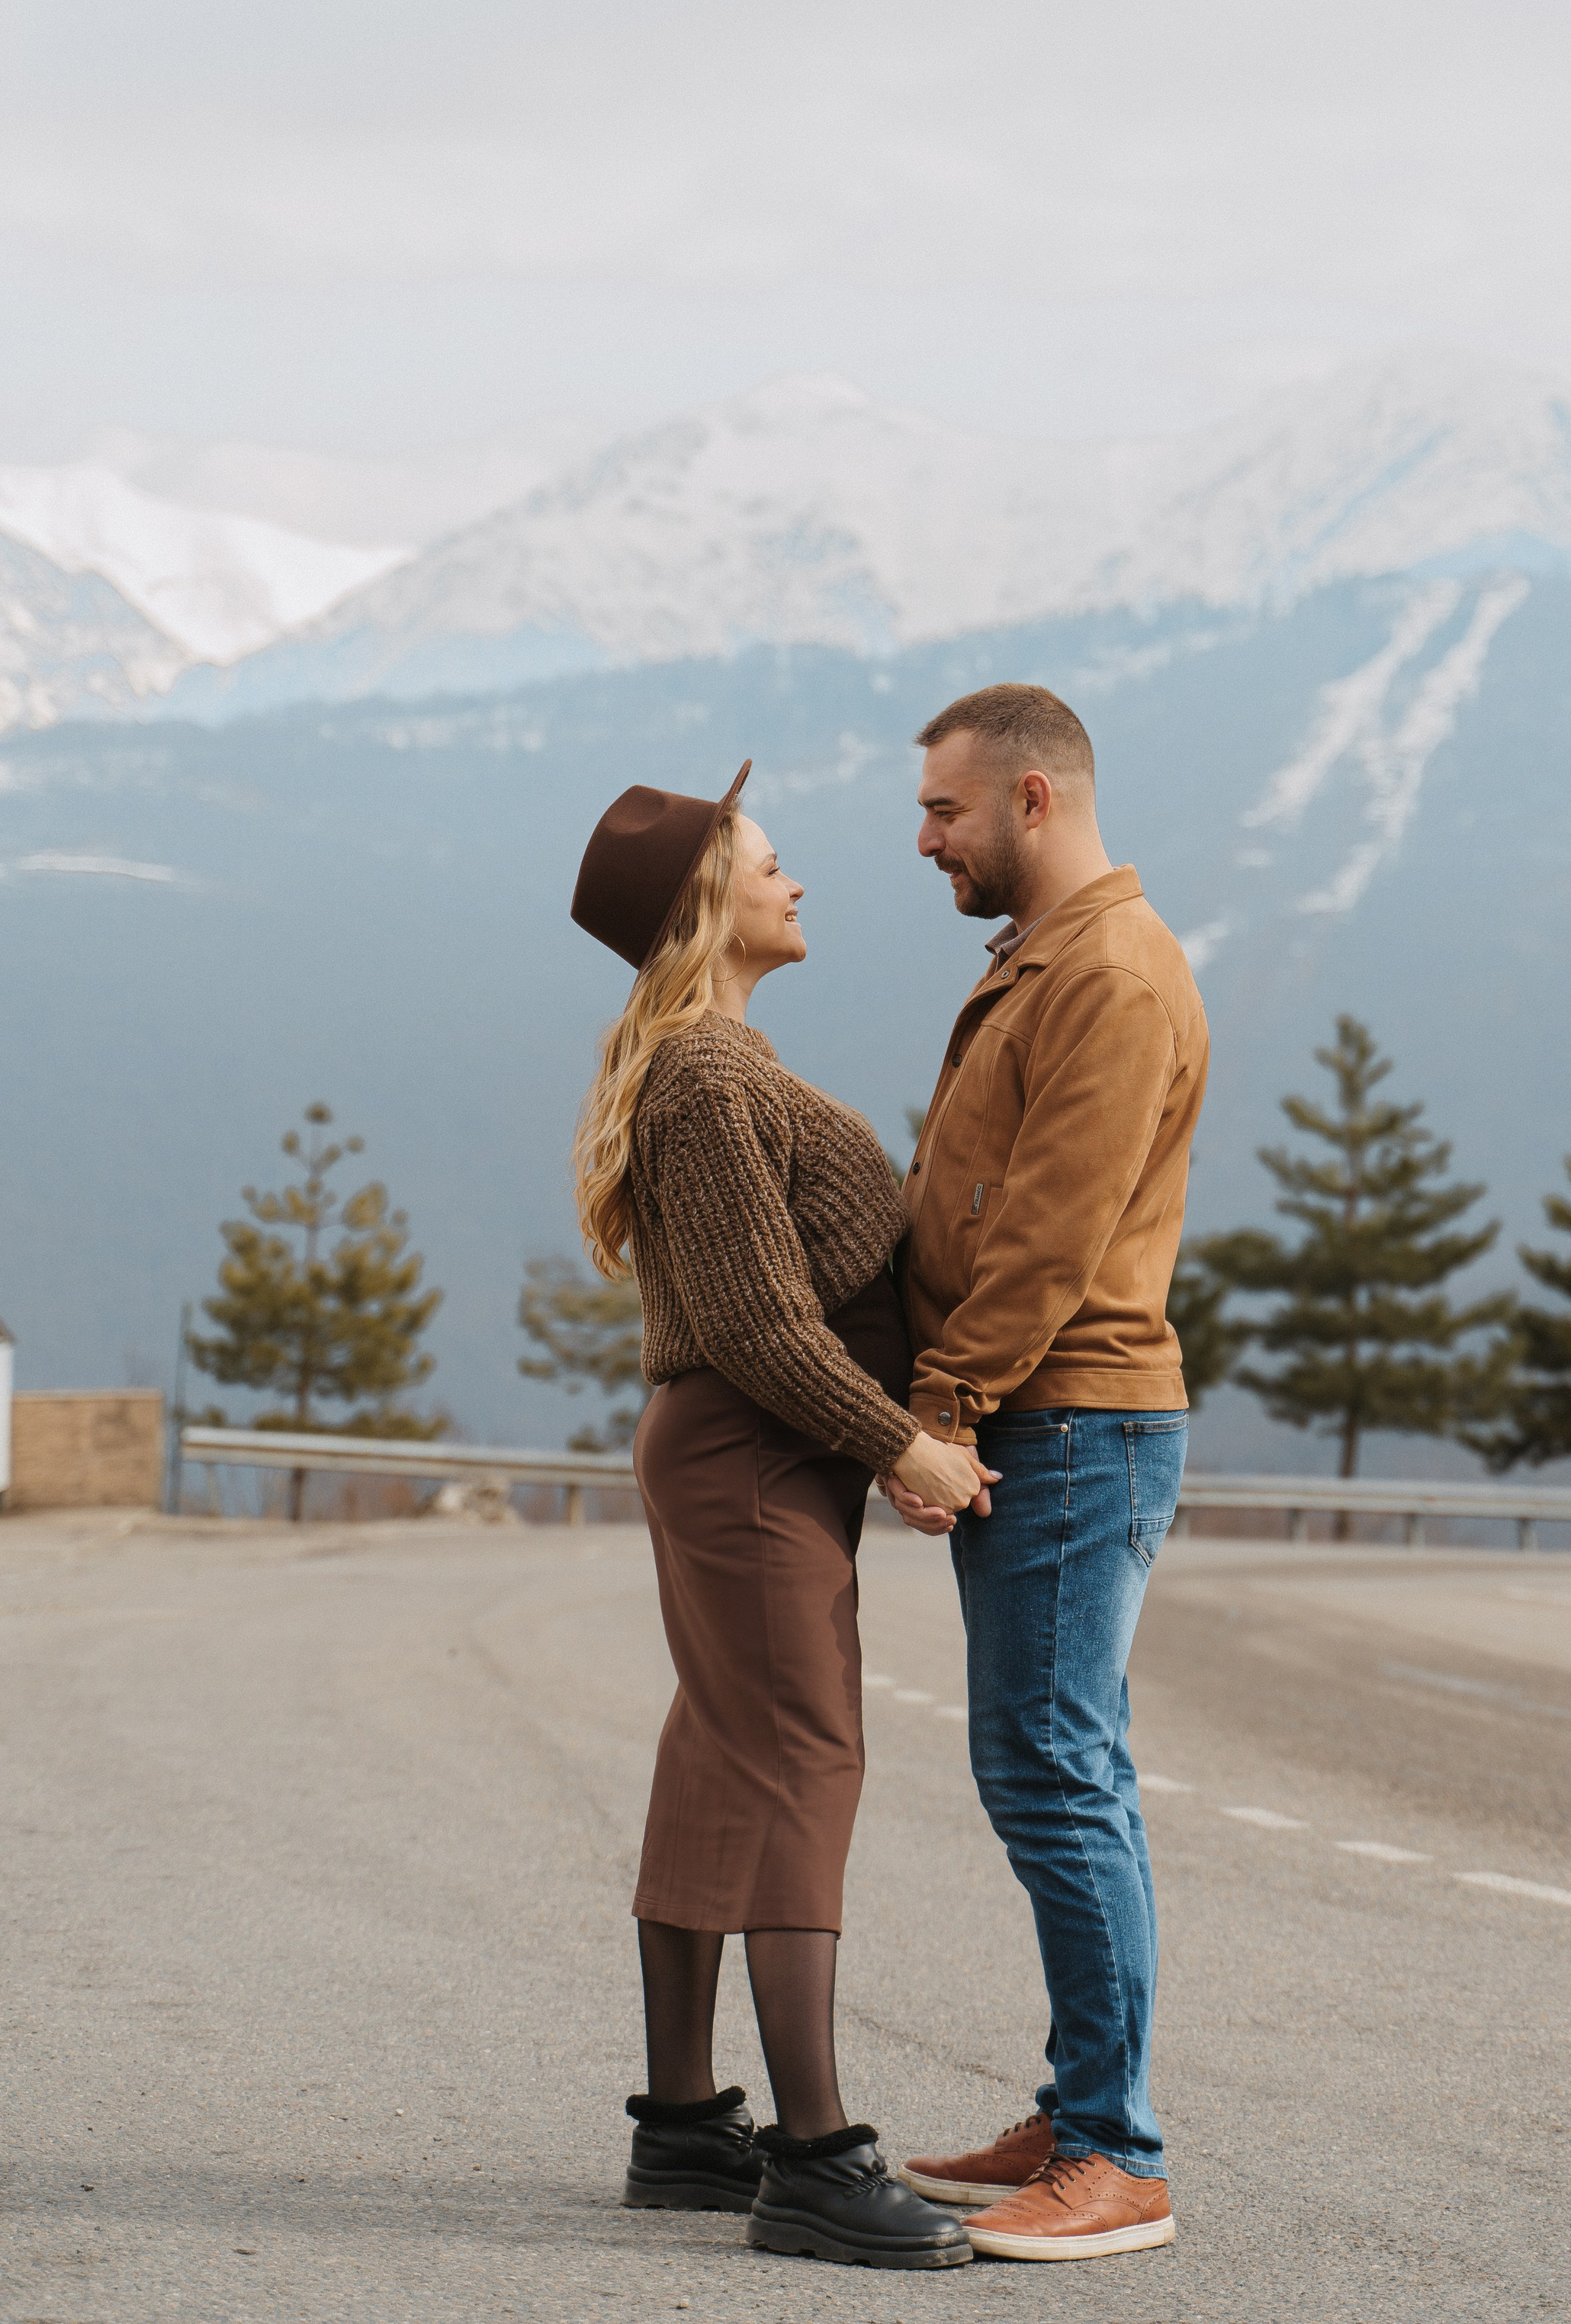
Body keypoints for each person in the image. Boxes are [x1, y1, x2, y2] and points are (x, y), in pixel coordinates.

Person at [569, 762, 985, 2273]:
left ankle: (684, 2125)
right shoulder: (705, 1075)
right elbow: (754, 1319)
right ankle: (811, 2156)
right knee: (802, 1756)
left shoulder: (709, 1062)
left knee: (720, 1756)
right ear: (707, 904)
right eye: (768, 861)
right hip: (756, 1452)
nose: (795, 879)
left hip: (745, 1457)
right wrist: (902, 1447)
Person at [881, 683, 1209, 2264]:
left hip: (1069, 1420)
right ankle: (1081, 2104)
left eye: (941, 811)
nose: (921, 838)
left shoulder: (1111, 977)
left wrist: (938, 1412)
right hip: (1047, 1416)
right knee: (1054, 1766)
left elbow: (1048, 1232)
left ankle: (1114, 2154)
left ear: (1028, 800)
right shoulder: (1044, 965)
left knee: (1054, 1773)